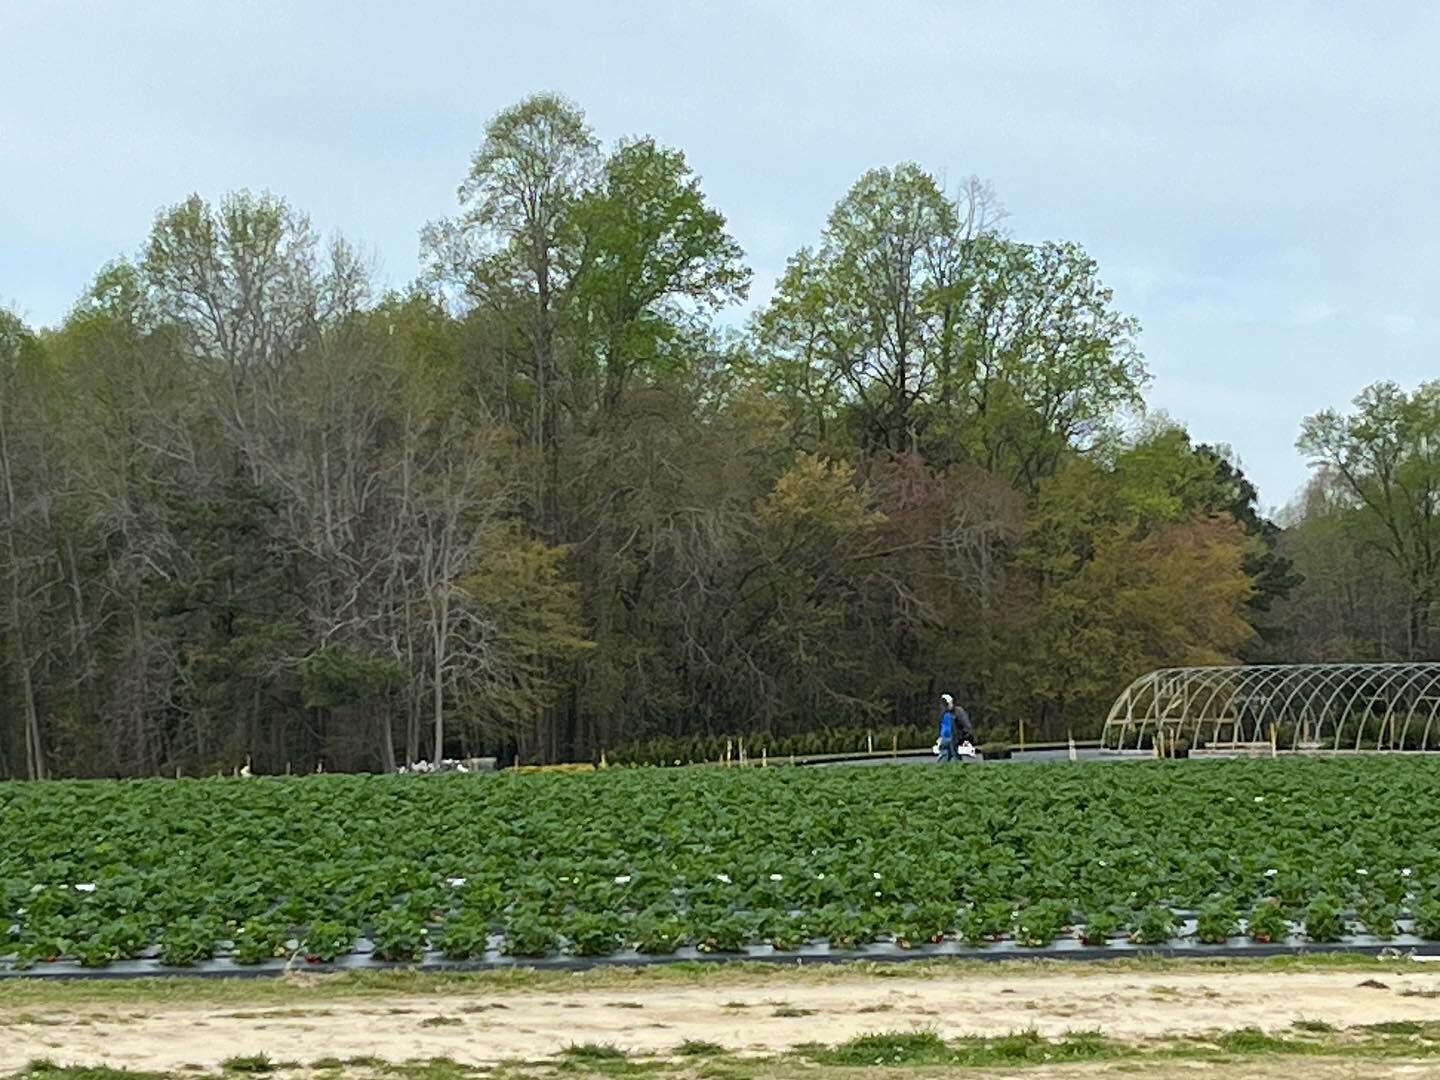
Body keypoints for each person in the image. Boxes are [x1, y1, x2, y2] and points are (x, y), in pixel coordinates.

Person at [936, 694, 957, 763]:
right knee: (953, 755)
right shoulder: (950, 715)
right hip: (949, 737)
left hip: (944, 737)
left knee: (945, 755)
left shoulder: (943, 714)